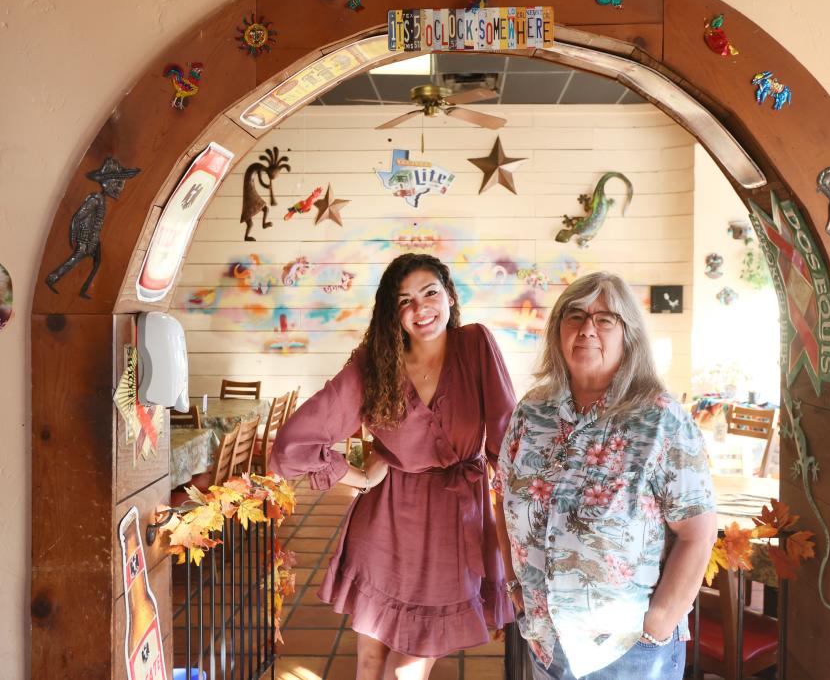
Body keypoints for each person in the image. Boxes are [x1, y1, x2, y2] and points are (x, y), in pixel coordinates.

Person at [270, 253, 516, 680]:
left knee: (405, 670)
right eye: (404, 301)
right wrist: (360, 475)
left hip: (454, 525)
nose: (420, 309)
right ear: (392, 312)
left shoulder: (475, 345)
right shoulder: (373, 363)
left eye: (430, 293)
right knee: (370, 662)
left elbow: (506, 436)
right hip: (386, 524)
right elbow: (293, 443)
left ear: (450, 297)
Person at [493, 272, 716, 680]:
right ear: (558, 330)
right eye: (574, 316)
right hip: (546, 639)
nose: (586, 329)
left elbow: (697, 532)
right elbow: (503, 495)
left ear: (628, 335)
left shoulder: (661, 419)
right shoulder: (532, 411)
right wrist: (514, 586)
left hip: (627, 650)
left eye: (604, 319)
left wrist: (660, 620)